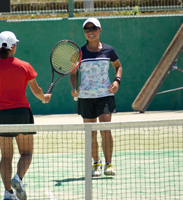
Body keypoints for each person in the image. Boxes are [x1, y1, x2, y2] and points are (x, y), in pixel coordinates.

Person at [0, 31, 51, 200]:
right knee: (26, 153)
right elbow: (37, 91)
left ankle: (7, 193)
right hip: (21, 114)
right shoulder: (24, 66)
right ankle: (18, 178)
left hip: (0, 115)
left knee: (6, 156)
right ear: (15, 46)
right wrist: (44, 98)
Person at [70, 18, 123, 177]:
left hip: (105, 96)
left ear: (100, 30)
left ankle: (109, 163)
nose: (90, 31)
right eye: (87, 29)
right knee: (91, 133)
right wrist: (74, 88)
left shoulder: (109, 50)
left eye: (93, 28)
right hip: (86, 98)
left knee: (105, 131)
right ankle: (96, 163)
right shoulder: (79, 53)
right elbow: (72, 74)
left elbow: (118, 66)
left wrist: (117, 80)